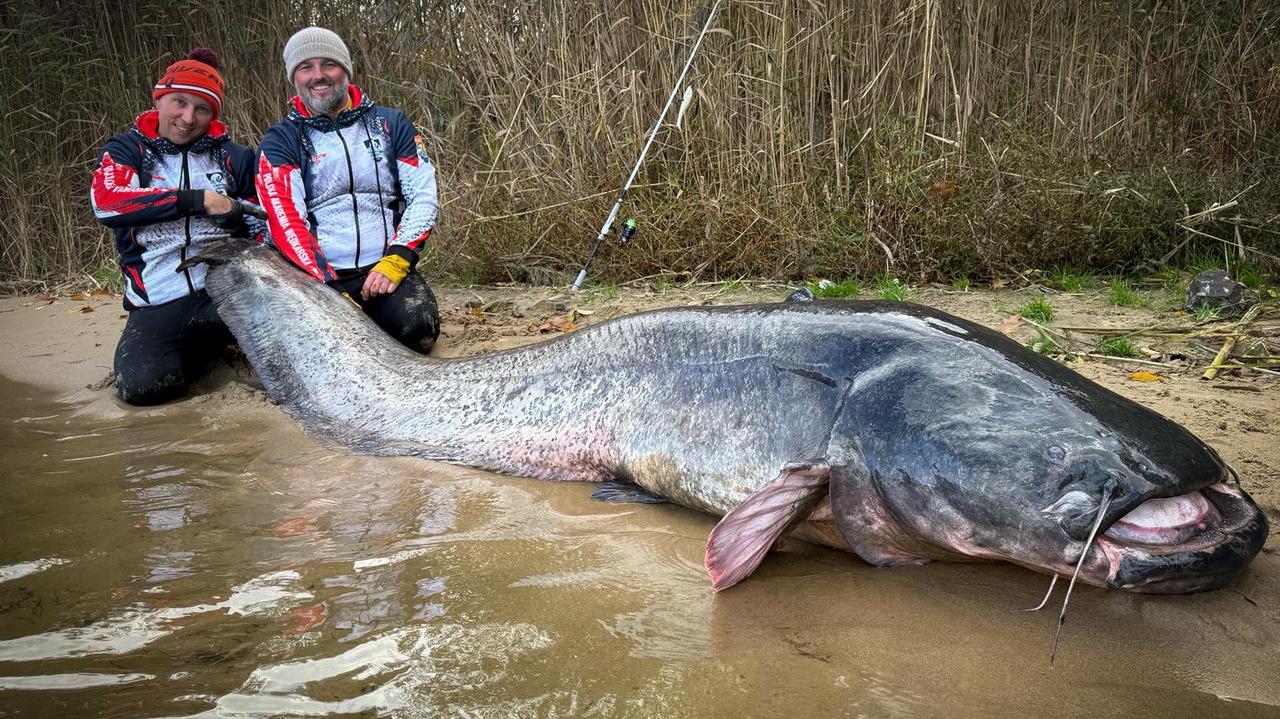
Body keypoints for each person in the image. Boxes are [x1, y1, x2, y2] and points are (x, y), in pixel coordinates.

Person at [91, 48, 265, 405]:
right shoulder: (127, 149)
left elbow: (263, 226)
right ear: (159, 98)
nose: (188, 117)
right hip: (158, 298)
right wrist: (198, 199)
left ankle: (222, 344)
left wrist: (237, 220)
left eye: (202, 109)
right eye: (179, 102)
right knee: (145, 390)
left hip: (226, 289)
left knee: (281, 368)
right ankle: (199, 352)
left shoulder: (236, 157)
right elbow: (107, 203)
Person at [257, 27, 440, 354]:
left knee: (419, 332)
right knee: (325, 350)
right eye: (306, 67)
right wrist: (324, 288)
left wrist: (397, 260)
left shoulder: (392, 123)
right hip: (318, 277)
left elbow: (423, 197)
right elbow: (285, 221)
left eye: (329, 64)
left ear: (345, 69)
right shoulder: (280, 140)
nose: (318, 76)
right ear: (293, 78)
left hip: (383, 267)